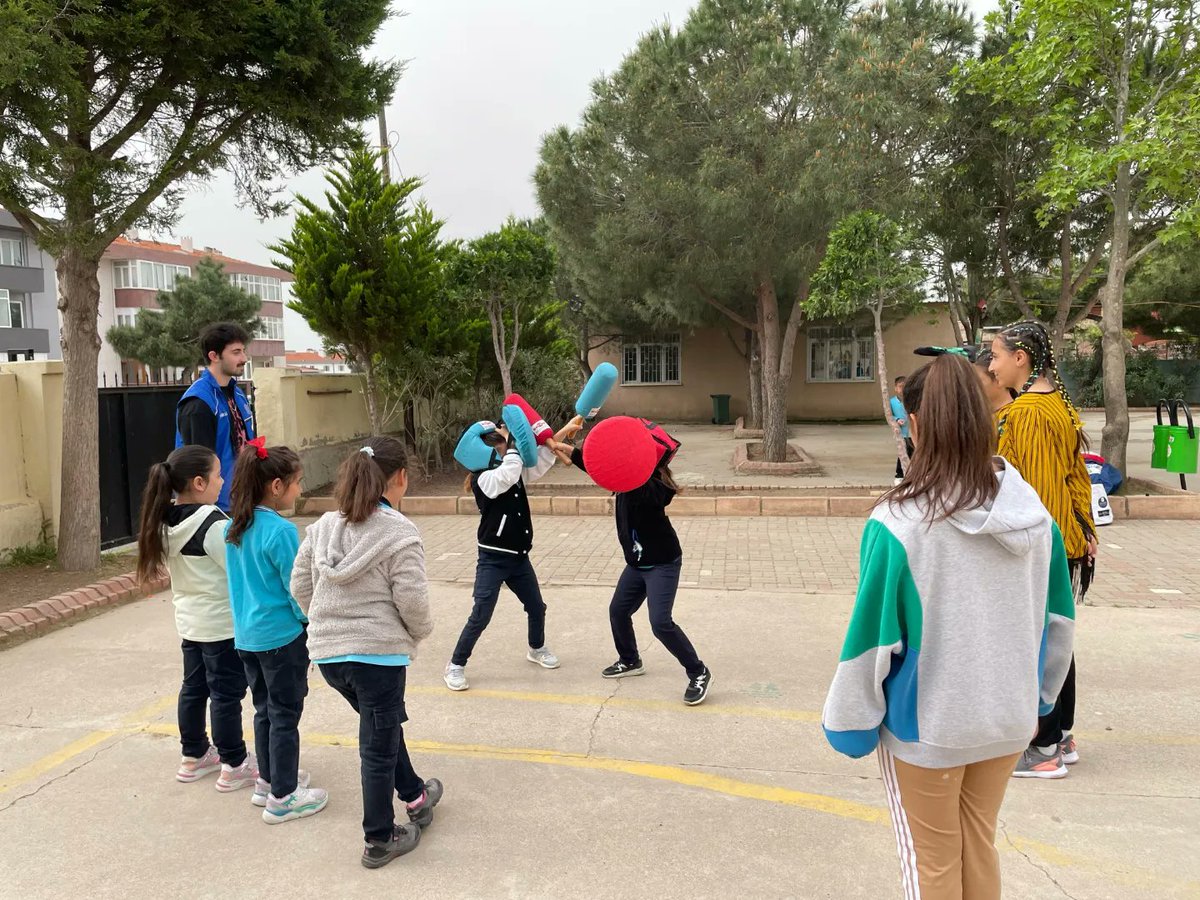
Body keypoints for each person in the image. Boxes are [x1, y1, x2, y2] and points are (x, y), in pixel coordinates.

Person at [822, 355, 1075, 900]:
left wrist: (849, 719)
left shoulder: (897, 523)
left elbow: (871, 639)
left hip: (928, 727)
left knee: (931, 861)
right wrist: (1039, 701)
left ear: (915, 424)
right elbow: (1058, 626)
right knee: (977, 843)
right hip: (1008, 719)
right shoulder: (1037, 519)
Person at [292, 437, 442, 869]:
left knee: (382, 725)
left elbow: (300, 585)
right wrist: (418, 634)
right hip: (377, 657)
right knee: (376, 744)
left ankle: (414, 794)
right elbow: (413, 601)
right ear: (400, 478)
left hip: (330, 658)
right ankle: (379, 838)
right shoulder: (399, 532)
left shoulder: (323, 527)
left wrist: (324, 623)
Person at [990, 321, 1096, 779]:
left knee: (1037, 644)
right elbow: (1077, 476)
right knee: (1058, 638)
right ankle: (1063, 735)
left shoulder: (1028, 412)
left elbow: (1031, 490)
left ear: (1021, 358)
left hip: (1042, 545)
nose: (991, 366)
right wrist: (1085, 531)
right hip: (1064, 537)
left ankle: (1043, 746)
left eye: (995, 356)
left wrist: (1032, 547)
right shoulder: (1056, 404)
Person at [136, 444, 255, 791]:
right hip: (221, 627)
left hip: (190, 623)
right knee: (225, 695)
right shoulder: (214, 525)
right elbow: (237, 572)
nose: (223, 480)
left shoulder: (163, 520)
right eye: (218, 474)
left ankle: (193, 755)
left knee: (194, 688)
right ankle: (234, 763)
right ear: (200, 483)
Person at [225, 439, 327, 823]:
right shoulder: (280, 531)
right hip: (282, 638)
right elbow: (296, 588)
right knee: (285, 714)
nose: (301, 490)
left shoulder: (236, 525)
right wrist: (310, 626)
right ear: (277, 486)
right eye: (298, 482)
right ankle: (284, 797)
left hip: (247, 637)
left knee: (264, 710)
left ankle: (268, 780)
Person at [569, 430, 712, 706]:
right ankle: (630, 660)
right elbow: (599, 469)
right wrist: (569, 451)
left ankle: (698, 672)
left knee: (660, 623)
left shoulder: (656, 487)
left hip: (662, 564)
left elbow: (630, 483)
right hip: (636, 564)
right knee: (618, 611)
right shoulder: (626, 477)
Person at [444, 420, 569, 692]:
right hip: (493, 559)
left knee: (537, 607)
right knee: (481, 615)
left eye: (503, 443)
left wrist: (557, 438)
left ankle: (536, 648)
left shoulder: (512, 469)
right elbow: (508, 474)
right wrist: (512, 442)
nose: (505, 448)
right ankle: (455, 665)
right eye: (499, 444)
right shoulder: (484, 479)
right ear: (487, 451)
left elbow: (539, 462)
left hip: (519, 559)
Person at [176, 323, 256, 511]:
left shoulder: (237, 394)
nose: (244, 358)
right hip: (216, 508)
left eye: (243, 351)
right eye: (236, 352)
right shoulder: (198, 403)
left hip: (243, 500)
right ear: (214, 356)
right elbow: (198, 467)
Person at [972, 348, 1014, 417]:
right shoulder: (981, 416)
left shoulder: (1015, 415)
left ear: (997, 379)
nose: (973, 387)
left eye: (978, 381)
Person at [890, 375, 913, 484]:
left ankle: (912, 474)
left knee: (913, 453)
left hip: (912, 431)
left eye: (904, 387)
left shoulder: (911, 400)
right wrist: (897, 419)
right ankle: (899, 475)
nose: (902, 389)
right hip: (901, 433)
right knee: (903, 453)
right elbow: (889, 415)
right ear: (895, 388)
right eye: (900, 387)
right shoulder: (892, 402)